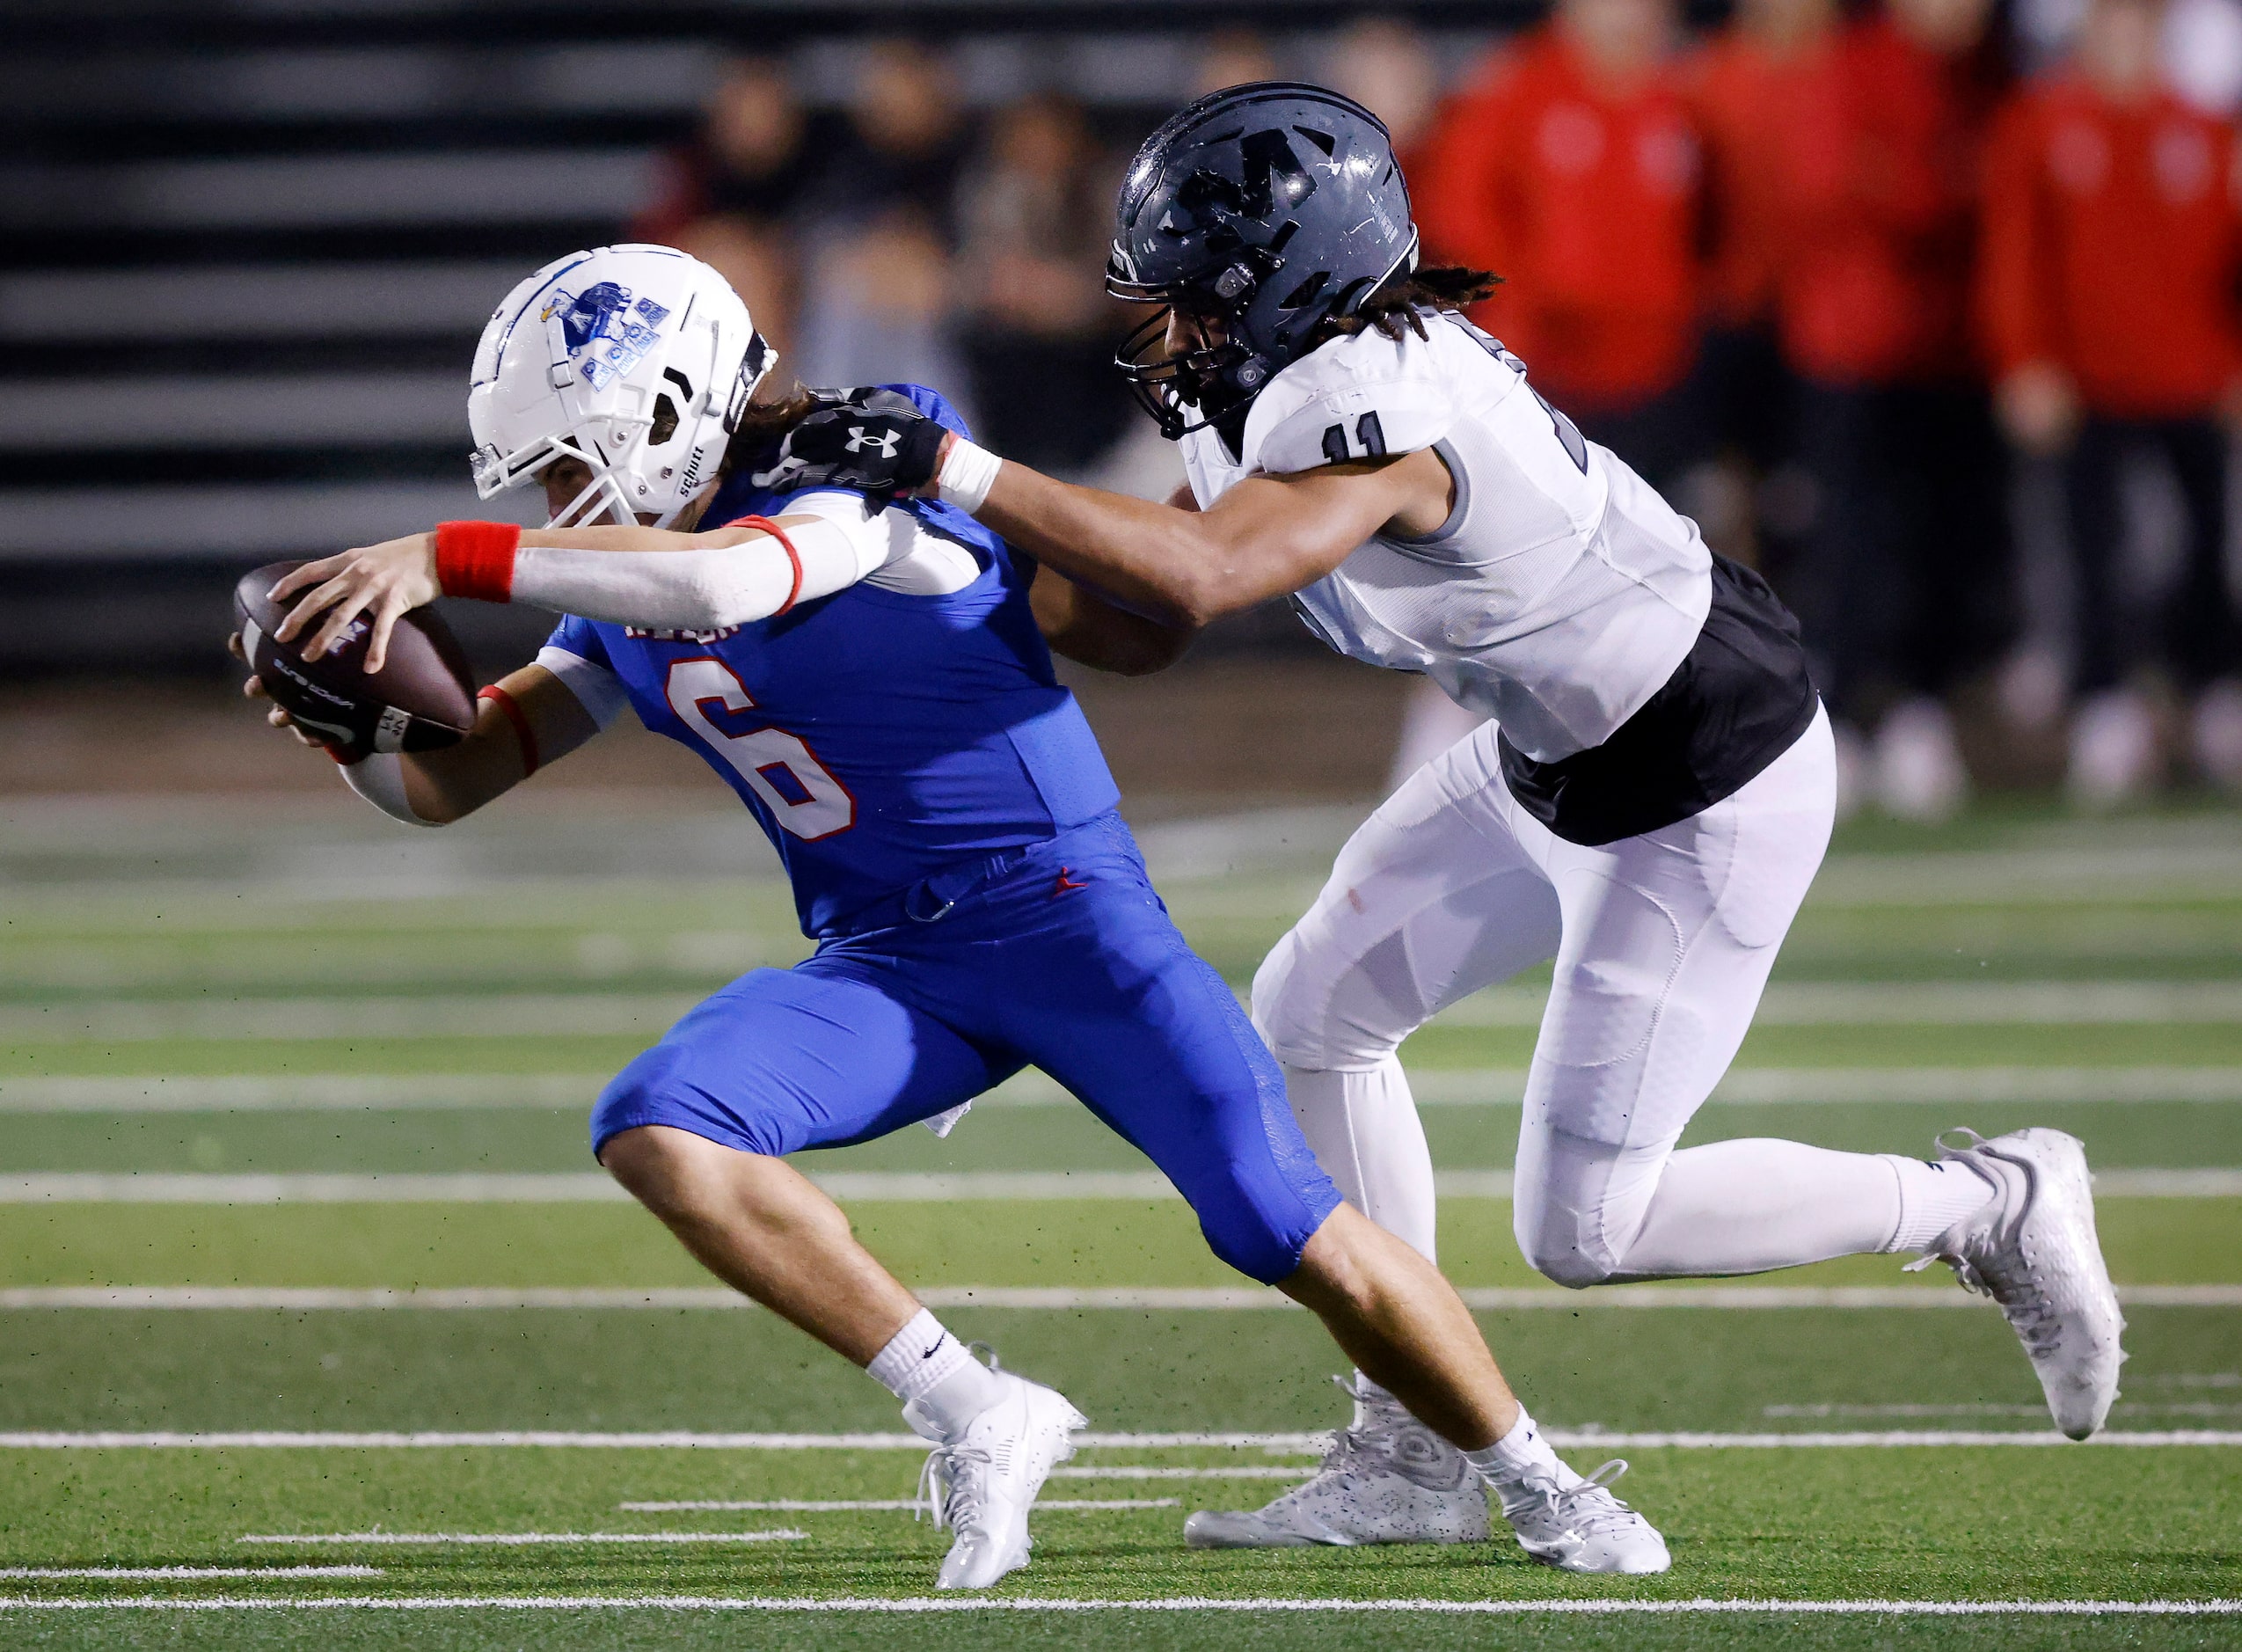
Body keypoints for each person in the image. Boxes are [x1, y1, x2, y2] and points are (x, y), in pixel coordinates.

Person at [757, 83, 2129, 1550]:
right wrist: (940, 556)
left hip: (1697, 775)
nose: (1163, 327)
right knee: (1310, 1013)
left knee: (1585, 1229)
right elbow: (1143, 617)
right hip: (1554, 754)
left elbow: (1209, 574)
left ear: (1280, 280)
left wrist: (961, 470)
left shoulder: (1372, 391)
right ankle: (1407, 1445)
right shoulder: (1264, 387)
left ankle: (1981, 1201)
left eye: (1190, 294)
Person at [242, 243, 1674, 1580]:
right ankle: (976, 1406)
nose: (551, 505)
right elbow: (460, 779)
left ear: (663, 405)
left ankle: (1542, 1478)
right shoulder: (620, 584)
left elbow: (751, 577)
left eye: (566, 460)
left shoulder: (857, 455)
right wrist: (352, 730)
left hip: (1061, 915)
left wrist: (449, 558)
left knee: (1275, 1214)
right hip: (886, 959)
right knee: (661, 1121)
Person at [1980, 0, 2242, 800]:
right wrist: (2023, 361)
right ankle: (2103, 706)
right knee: (2091, 555)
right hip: (2085, 384)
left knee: (2206, 543)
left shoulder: (2201, 129)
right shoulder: (2043, 124)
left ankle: (2212, 693)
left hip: (2189, 379)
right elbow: (2015, 253)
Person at [1414, 0, 1709, 493]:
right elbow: (1458, 209)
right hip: (1550, 370)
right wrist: (1524, 303)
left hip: (1659, 366)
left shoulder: (1683, 93)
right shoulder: (1516, 83)